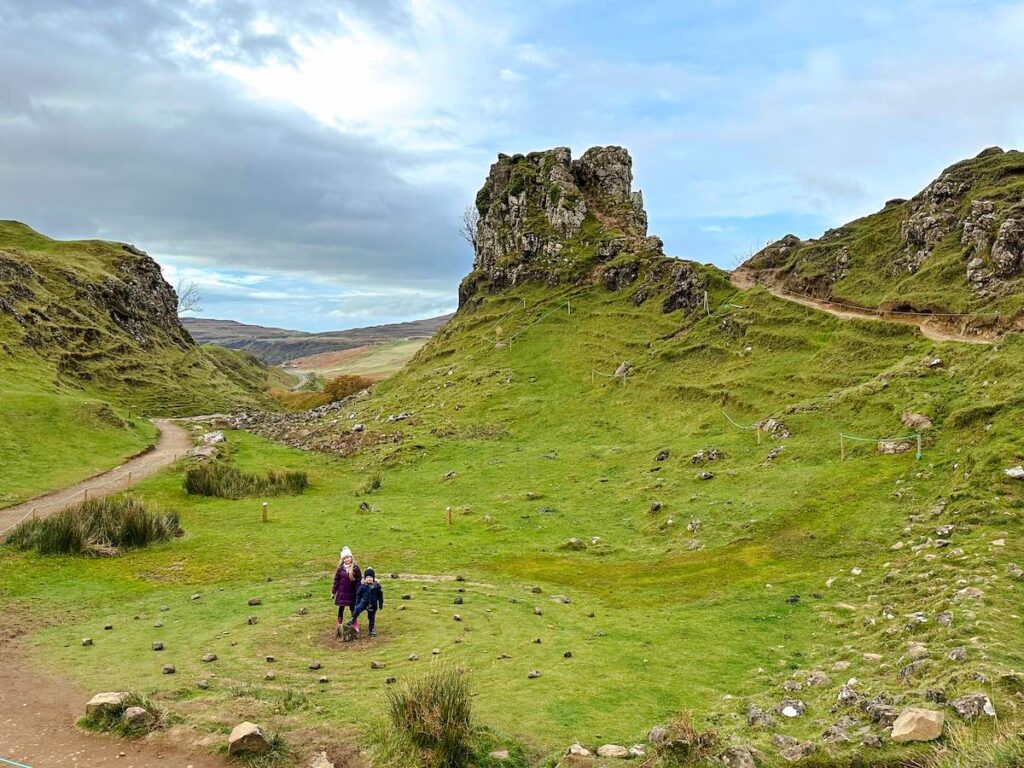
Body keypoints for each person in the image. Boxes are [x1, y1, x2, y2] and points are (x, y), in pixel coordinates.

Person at [346, 567, 384, 637]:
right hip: (364, 602)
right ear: (364, 578)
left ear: (373, 578)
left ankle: (371, 630)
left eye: (370, 577)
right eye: (367, 577)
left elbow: (380, 595)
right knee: (357, 609)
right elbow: (358, 595)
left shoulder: (377, 586)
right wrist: (357, 604)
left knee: (371, 617)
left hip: (373, 604)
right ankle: (352, 619)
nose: (369, 578)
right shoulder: (362, 586)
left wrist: (380, 604)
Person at [331, 546, 362, 627]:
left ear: (351, 557)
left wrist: (359, 591)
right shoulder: (340, 569)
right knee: (341, 608)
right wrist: (334, 592)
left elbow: (359, 581)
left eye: (348, 557)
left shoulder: (355, 568)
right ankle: (339, 623)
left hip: (352, 593)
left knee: (353, 608)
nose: (347, 559)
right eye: (344, 558)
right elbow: (336, 581)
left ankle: (354, 623)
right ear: (342, 560)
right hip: (342, 593)